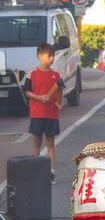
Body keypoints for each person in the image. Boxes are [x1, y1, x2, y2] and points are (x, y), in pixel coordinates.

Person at [24, 43, 65, 184]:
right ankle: (35, 171)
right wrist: (40, 98)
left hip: (51, 114)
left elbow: (60, 90)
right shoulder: (32, 74)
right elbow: (27, 92)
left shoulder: (56, 75)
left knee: (50, 144)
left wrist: (60, 102)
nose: (52, 58)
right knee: (36, 144)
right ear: (40, 56)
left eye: (53, 56)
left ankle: (51, 172)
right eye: (49, 56)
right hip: (37, 114)